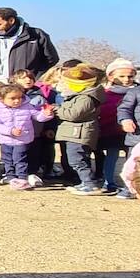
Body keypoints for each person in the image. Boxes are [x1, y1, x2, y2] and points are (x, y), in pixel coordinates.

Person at [0, 84, 55, 190]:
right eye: (12, 98)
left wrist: (46, 114)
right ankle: (10, 176)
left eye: (20, 98)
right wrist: (10, 131)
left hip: (22, 139)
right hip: (5, 139)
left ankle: (21, 177)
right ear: (1, 99)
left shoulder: (27, 106)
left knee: (19, 158)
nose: (17, 101)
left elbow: (38, 116)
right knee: (7, 159)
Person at [56, 64, 106, 196]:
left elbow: (73, 114)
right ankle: (85, 182)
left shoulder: (85, 98)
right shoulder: (79, 96)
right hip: (75, 133)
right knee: (78, 159)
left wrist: (57, 109)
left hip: (78, 134)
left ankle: (89, 184)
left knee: (77, 160)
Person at [0, 7, 59, 79]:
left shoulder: (36, 35)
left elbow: (52, 59)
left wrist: (33, 77)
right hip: (2, 86)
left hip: (26, 85)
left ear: (11, 21)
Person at [98, 59, 136, 196]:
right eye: (122, 76)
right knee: (112, 156)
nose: (126, 79)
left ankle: (131, 184)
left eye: (130, 76)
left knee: (131, 158)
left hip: (133, 131)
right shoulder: (105, 93)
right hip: (111, 130)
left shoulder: (139, 91)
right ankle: (109, 182)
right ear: (111, 76)